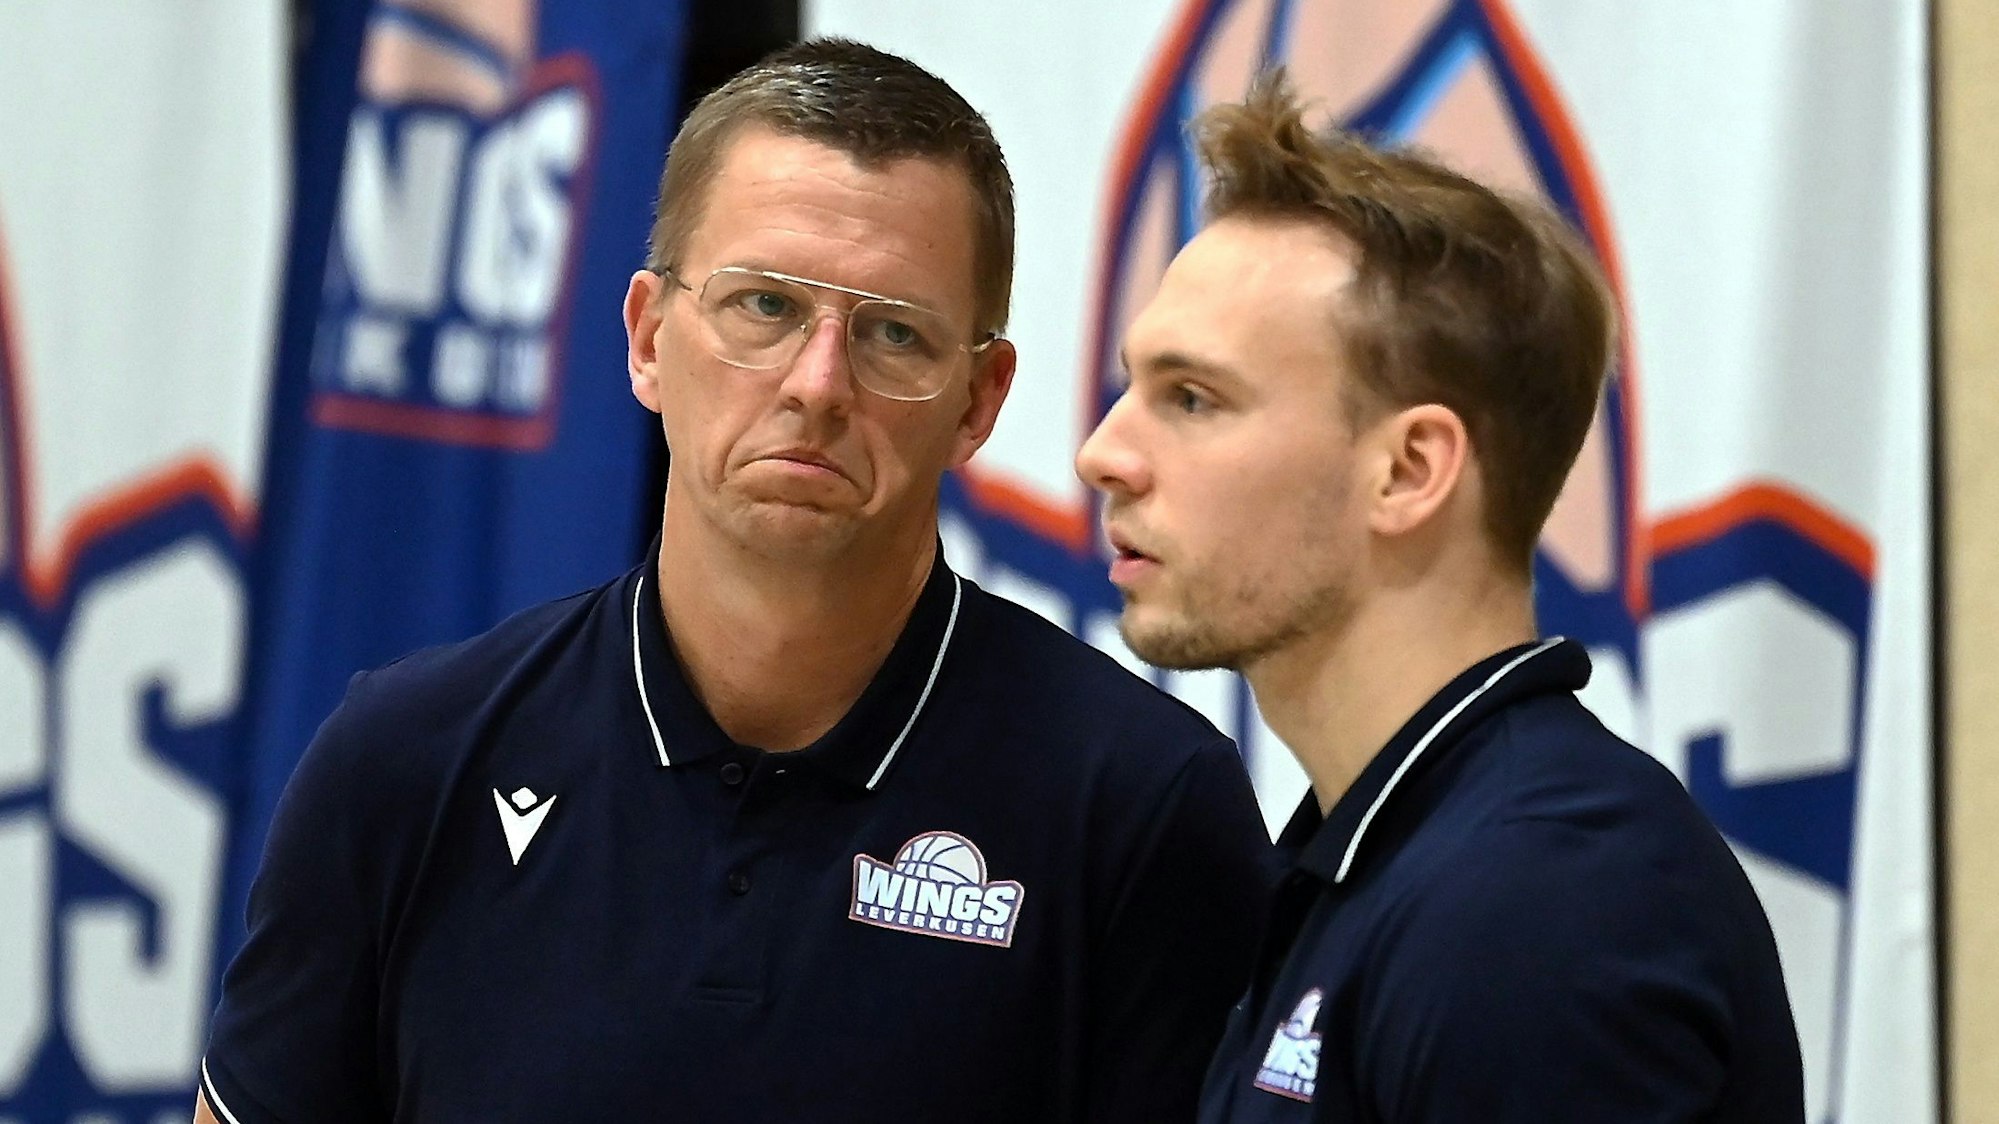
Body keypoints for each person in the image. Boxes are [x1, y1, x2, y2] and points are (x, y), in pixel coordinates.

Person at [197, 39, 1272, 1124]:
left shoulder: (1143, 805)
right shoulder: (406, 760)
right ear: (648, 337)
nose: (817, 384)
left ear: (978, 399)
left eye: (892, 332)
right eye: (763, 306)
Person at [1076, 73, 1804, 1122]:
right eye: (1130, 387)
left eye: (1192, 397)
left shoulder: (1538, 903)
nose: (1105, 453)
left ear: (1410, 469)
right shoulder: (1397, 850)